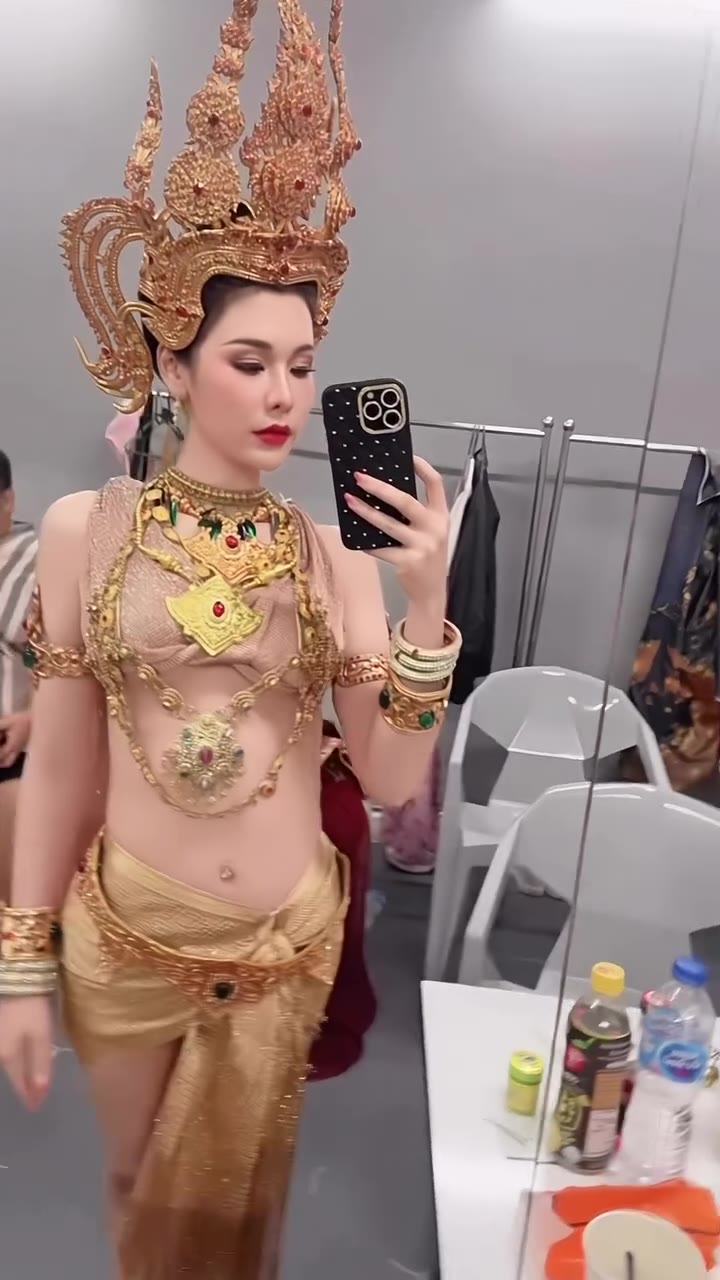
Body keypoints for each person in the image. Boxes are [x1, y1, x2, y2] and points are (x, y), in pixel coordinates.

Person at [0, 3, 460, 1277]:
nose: (283, 396)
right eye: (250, 360)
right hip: (126, 935)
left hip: (283, 944)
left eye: (302, 365)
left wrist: (426, 603)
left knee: (240, 1209)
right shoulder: (90, 527)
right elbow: (64, 760)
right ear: (172, 361)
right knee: (135, 1191)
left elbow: (392, 777)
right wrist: (21, 961)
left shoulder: (329, 551)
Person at [0, 450, 36, 900]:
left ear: (8, 499)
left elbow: (66, 658)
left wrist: (33, 718)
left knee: (12, 905)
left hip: (11, 754)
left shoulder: (42, 562)